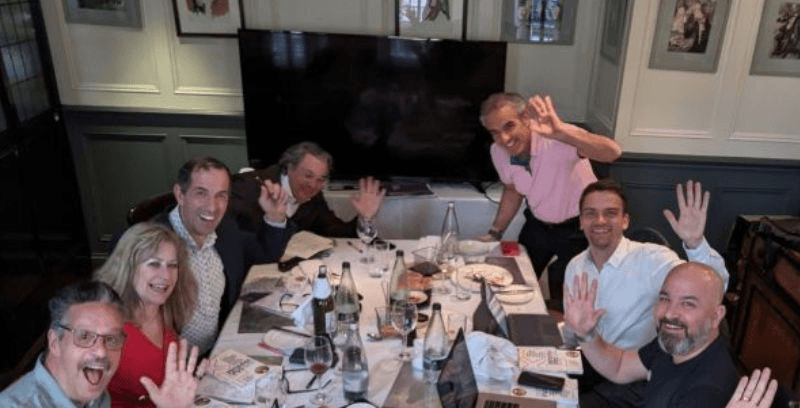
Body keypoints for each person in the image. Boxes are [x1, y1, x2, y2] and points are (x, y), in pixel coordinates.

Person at [477, 93, 621, 303]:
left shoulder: (557, 137)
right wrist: (495, 232)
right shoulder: (498, 151)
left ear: (526, 117)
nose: (504, 139)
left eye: (509, 126)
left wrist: (562, 131)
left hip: (575, 231)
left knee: (566, 300)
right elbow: (513, 190)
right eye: (495, 133)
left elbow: (613, 153)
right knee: (514, 289)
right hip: (537, 226)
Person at [564, 179, 729, 350]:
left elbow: (716, 287)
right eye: (590, 213)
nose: (600, 220)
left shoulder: (652, 259)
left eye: (610, 213)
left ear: (625, 221)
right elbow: (573, 329)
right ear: (581, 221)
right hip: (585, 358)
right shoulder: (575, 266)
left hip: (630, 370)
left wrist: (696, 244)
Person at [154, 156, 293, 353]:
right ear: (180, 194)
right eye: (201, 193)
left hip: (219, 348)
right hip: (172, 367)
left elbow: (263, 256)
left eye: (221, 195)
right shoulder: (150, 244)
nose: (212, 207)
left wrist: (275, 215)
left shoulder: (225, 226)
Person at [0, 281, 204, 408]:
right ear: (55, 343)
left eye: (112, 339)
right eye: (85, 336)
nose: (101, 351)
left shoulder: (96, 396)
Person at [565, 262, 739, 408]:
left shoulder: (708, 391)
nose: (670, 313)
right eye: (664, 299)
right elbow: (621, 366)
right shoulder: (678, 341)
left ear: (716, 316)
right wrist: (585, 334)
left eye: (688, 304)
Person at [94, 222, 199, 407]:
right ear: (129, 267)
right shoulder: (105, 328)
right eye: (154, 264)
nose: (166, 276)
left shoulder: (166, 309)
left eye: (172, 265)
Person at [230, 141, 385, 238]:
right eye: (308, 175)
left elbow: (334, 231)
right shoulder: (250, 187)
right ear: (289, 167)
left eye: (320, 179)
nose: (313, 185)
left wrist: (364, 219)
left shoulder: (314, 197)